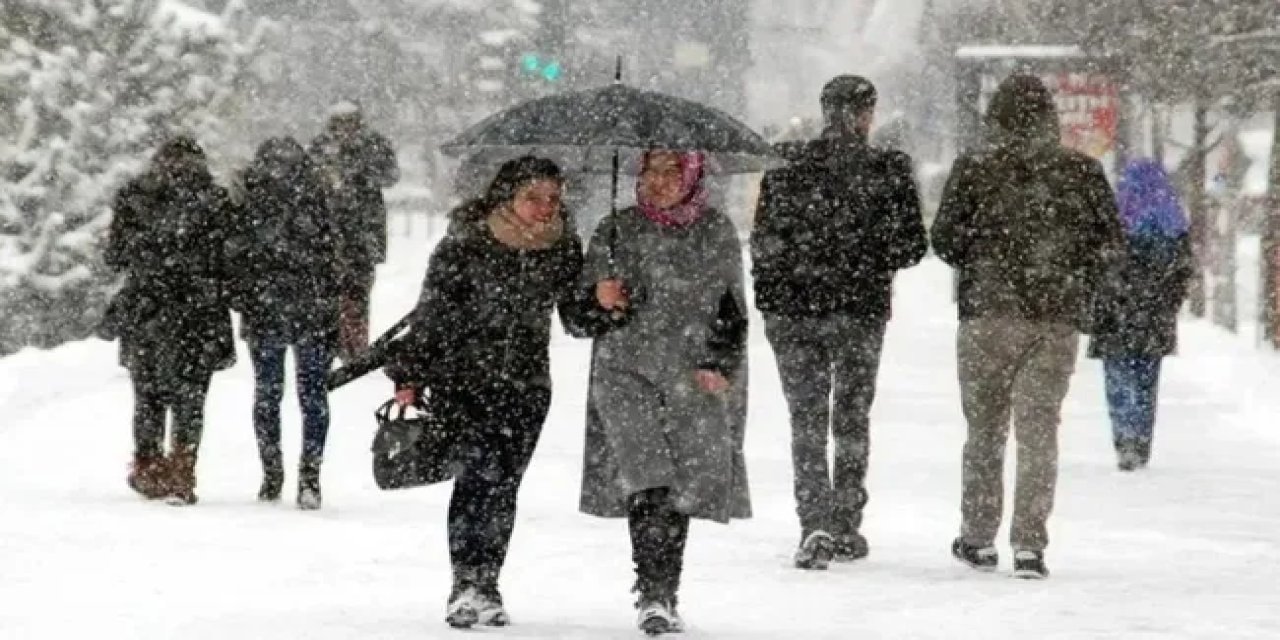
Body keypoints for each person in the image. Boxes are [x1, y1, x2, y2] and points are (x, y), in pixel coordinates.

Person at [383, 156, 603, 629]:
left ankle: (488, 581)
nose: (545, 208)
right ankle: (466, 582)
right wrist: (411, 373)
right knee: (475, 478)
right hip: (464, 380)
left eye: (552, 199)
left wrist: (602, 303)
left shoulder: (562, 247)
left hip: (527, 386)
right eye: (533, 198)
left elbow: (577, 319)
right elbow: (433, 312)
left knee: (504, 485)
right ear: (507, 196)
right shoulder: (467, 241)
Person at [931, 74, 1125, 579]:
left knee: (985, 431)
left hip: (986, 316)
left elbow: (946, 240)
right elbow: (1110, 244)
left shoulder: (973, 170)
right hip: (1055, 318)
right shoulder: (1082, 172)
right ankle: (1030, 545)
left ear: (995, 118)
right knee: (1039, 433)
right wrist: (1069, 269)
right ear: (1050, 117)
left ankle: (977, 536)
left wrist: (986, 256)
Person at [751, 75, 927, 569]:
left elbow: (765, 243)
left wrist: (775, 299)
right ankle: (847, 521)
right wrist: (866, 256)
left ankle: (814, 523)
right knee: (851, 417)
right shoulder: (888, 169)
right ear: (868, 112)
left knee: (805, 420)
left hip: (795, 312)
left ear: (823, 108)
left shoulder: (786, 164)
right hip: (860, 311)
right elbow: (912, 246)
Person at [578, 150, 750, 635]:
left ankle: (665, 589)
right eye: (652, 169)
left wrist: (718, 361)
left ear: (694, 175)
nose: (660, 180)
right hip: (624, 372)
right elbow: (577, 315)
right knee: (646, 476)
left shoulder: (715, 230)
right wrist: (599, 297)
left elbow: (732, 306)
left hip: (690, 374)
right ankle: (652, 592)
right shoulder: (615, 229)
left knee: (679, 484)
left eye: (674, 170)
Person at [101, 135, 236, 506]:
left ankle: (149, 466)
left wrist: (150, 258)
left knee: (147, 395)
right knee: (191, 396)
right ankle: (182, 469)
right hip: (200, 312)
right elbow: (230, 259)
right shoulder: (215, 200)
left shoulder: (135, 196)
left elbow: (115, 256)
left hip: (148, 308)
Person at [228, 137, 342, 509]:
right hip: (307, 308)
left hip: (267, 308)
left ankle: (272, 472)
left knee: (268, 393)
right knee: (311, 396)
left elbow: (238, 255)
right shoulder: (316, 197)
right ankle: (309, 476)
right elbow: (330, 257)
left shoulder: (250, 199)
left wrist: (245, 295)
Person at [1088, 158, 1194, 471]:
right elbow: (1182, 272)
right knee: (1147, 382)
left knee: (1118, 380)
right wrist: (1167, 304)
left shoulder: (1115, 217)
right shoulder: (1173, 223)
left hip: (1115, 316)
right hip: (1154, 317)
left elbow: (1097, 264)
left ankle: (1124, 439)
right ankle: (1142, 441)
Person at [308, 100, 399, 362]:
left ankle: (356, 348)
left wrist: (360, 172)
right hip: (329, 229)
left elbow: (391, 176)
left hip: (363, 231)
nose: (345, 130)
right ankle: (333, 343)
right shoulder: (321, 146)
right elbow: (309, 177)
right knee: (329, 292)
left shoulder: (374, 145)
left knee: (358, 292)